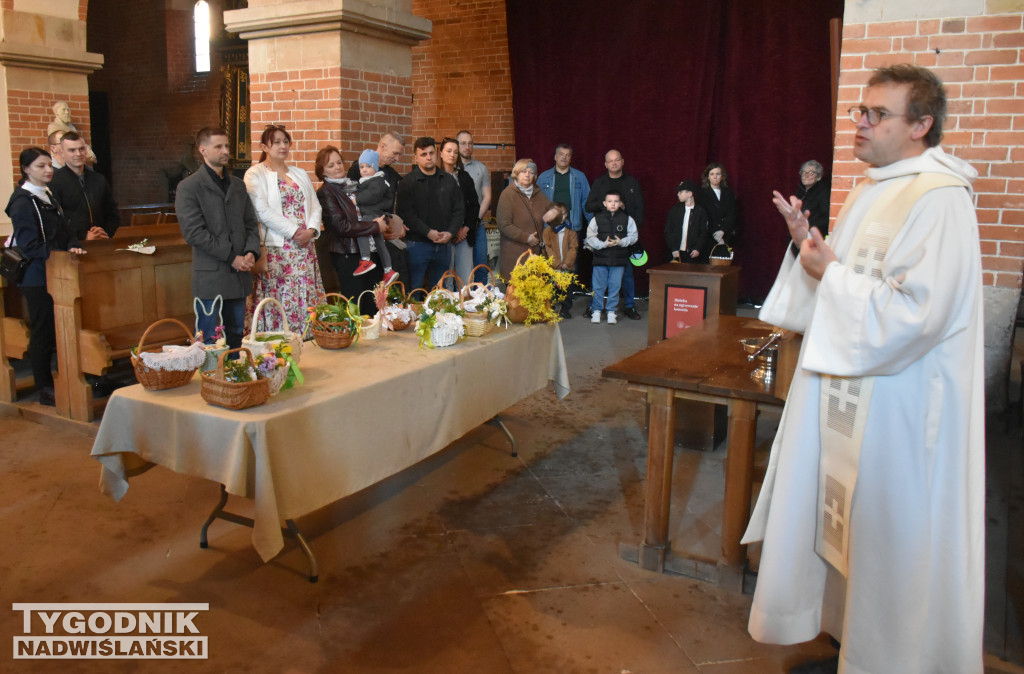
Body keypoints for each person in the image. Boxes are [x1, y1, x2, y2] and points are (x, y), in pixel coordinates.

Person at [742, 64, 984, 674]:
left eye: (876, 114)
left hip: (901, 408)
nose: (860, 123)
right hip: (852, 399)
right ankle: (850, 643)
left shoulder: (941, 200)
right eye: (859, 110)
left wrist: (832, 274)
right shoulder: (871, 187)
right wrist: (811, 252)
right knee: (847, 525)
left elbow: (919, 316)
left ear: (921, 125)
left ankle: (891, 659)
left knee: (891, 537)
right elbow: (840, 277)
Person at [5, 147, 85, 406]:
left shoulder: (48, 195)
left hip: (57, 271)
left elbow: (64, 229)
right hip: (36, 275)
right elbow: (29, 245)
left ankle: (66, 378)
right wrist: (60, 252)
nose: (49, 170)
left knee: (59, 327)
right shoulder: (22, 201)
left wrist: (72, 244)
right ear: (27, 170)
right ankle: (44, 386)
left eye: (49, 165)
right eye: (41, 166)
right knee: (43, 330)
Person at [175, 127, 260, 350]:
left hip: (239, 273)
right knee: (209, 339)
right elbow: (194, 233)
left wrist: (251, 252)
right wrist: (232, 257)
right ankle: (211, 381)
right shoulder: (189, 187)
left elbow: (250, 223)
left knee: (236, 335)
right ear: (203, 150)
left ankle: (235, 380)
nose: (225, 151)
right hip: (211, 274)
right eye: (218, 147)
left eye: (227, 146)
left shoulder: (238, 185)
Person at [243, 124, 324, 333]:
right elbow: (261, 210)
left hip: (304, 245)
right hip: (279, 246)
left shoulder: (299, 173)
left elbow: (315, 204)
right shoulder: (255, 174)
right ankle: (281, 340)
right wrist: (294, 231)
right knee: (282, 293)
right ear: (264, 146)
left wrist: (311, 231)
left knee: (305, 291)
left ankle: (307, 335)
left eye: (286, 141)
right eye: (276, 142)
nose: (283, 146)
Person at [315, 145, 390, 315]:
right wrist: (375, 226)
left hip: (369, 250)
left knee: (374, 303)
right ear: (323, 171)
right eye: (331, 165)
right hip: (348, 254)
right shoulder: (326, 192)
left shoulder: (354, 185)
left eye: (339, 162)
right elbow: (341, 226)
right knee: (358, 305)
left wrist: (383, 218)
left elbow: (373, 208)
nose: (337, 167)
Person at [395, 137, 464, 289]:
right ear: (416, 157)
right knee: (414, 291)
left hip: (444, 246)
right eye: (423, 154)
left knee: (439, 295)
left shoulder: (448, 180)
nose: (428, 157)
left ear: (437, 153)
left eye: (431, 153)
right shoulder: (407, 182)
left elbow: (459, 210)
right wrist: (427, 232)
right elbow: (405, 214)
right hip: (417, 245)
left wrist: (451, 232)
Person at [584, 149, 643, 320]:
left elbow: (639, 209)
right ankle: (594, 307)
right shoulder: (600, 182)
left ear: (622, 161)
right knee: (599, 277)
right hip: (603, 237)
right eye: (610, 161)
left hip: (625, 238)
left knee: (626, 274)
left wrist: (631, 234)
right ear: (606, 164)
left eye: (617, 160)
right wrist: (607, 208)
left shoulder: (632, 182)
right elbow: (589, 206)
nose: (614, 163)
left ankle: (629, 306)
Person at [347, 132, 408, 283]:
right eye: (395, 153)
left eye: (400, 154)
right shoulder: (358, 170)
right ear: (382, 146)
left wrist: (394, 223)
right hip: (366, 238)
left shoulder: (391, 174)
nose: (398, 159)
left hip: (387, 236)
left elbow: (389, 204)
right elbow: (354, 203)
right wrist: (375, 227)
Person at [496, 158, 560, 278]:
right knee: (516, 295)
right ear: (516, 173)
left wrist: (555, 211)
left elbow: (551, 209)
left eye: (531, 172)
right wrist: (526, 238)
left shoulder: (538, 193)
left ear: (535, 176)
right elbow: (504, 225)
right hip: (514, 257)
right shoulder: (507, 194)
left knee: (538, 292)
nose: (527, 175)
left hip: (535, 256)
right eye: (523, 171)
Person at [49, 132, 118, 241]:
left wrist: (105, 232)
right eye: (72, 150)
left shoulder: (99, 179)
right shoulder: (54, 182)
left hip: (101, 242)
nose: (78, 153)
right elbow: (54, 220)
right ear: (62, 153)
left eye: (81, 149)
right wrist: (82, 236)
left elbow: (112, 212)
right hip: (72, 245)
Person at [584, 190, 637, 325]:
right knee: (598, 286)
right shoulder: (596, 219)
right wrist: (602, 244)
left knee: (615, 286)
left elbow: (633, 236)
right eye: (610, 201)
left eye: (616, 201)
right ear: (604, 203)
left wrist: (621, 242)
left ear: (620, 203)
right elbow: (590, 237)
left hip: (619, 260)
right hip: (600, 258)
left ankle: (611, 311)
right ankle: (596, 310)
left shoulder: (627, 219)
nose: (613, 204)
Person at [352, 149, 398, 285]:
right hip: (377, 214)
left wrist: (357, 199)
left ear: (375, 167)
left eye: (368, 166)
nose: (364, 170)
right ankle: (388, 270)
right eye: (361, 167)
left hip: (373, 214)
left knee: (362, 230)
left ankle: (366, 259)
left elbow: (372, 195)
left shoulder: (378, 181)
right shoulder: (371, 180)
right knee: (379, 243)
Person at [439, 136, 480, 285]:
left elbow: (474, 205)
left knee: (466, 278)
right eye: (448, 151)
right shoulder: (435, 177)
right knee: (446, 279)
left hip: (464, 233)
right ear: (441, 153)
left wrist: (465, 229)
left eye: (455, 152)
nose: (452, 155)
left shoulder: (464, 176)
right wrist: (451, 231)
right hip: (443, 236)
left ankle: (466, 306)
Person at [457, 130, 492, 282]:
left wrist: (474, 220)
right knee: (458, 270)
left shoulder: (481, 168)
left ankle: (482, 303)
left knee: (481, 267)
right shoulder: (451, 167)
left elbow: (487, 197)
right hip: (456, 227)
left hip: (477, 225)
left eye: (470, 143)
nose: (467, 147)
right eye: (463, 143)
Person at [542, 203, 577, 318]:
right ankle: (550, 308)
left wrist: (567, 262)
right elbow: (548, 248)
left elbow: (573, 247)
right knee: (551, 289)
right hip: (553, 267)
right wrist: (556, 263)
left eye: (562, 214)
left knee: (567, 291)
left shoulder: (571, 230)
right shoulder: (547, 231)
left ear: (566, 215)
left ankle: (565, 309)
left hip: (566, 267)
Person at [664, 180, 710, 263]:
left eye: (681, 192)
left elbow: (703, 232)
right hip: (677, 253)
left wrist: (697, 248)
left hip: (692, 254)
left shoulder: (700, 212)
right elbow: (668, 231)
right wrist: (673, 248)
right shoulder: (675, 210)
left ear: (690, 193)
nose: (678, 194)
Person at [696, 162, 738, 250]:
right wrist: (714, 232)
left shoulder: (728, 193)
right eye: (712, 174)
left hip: (725, 235)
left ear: (722, 176)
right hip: (708, 237)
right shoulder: (701, 195)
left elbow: (731, 214)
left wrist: (723, 230)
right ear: (708, 176)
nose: (715, 177)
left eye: (718, 174)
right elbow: (702, 217)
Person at [796, 159, 830, 237]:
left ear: (819, 177)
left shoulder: (823, 192)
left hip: (814, 237)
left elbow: (826, 217)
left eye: (811, 173)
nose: (806, 175)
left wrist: (808, 227)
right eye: (803, 172)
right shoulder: (800, 191)